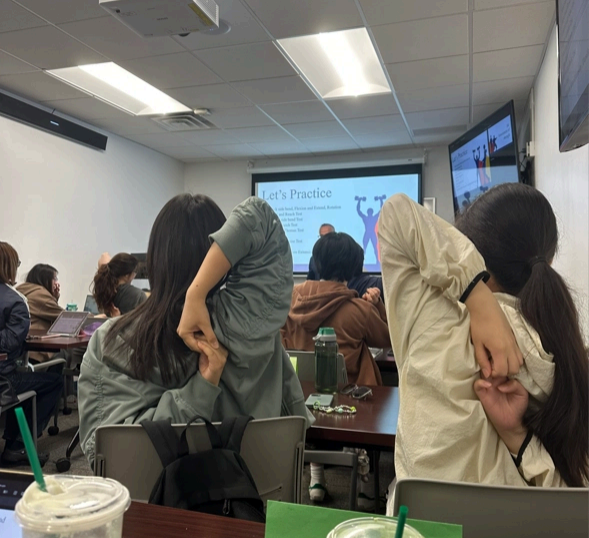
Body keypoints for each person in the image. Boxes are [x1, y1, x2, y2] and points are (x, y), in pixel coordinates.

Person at [377, 187, 589, 505]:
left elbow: (395, 214)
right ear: (550, 261)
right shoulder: (569, 355)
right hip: (523, 536)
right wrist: (519, 439)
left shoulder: (433, 323)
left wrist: (477, 297)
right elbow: (576, 503)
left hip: (422, 530)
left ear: (471, 253)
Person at [78, 195, 312, 466]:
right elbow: (260, 218)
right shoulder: (250, 321)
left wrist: (197, 393)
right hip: (258, 487)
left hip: (150, 493)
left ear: (155, 258)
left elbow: (106, 455)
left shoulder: (110, 341)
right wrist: (197, 295)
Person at [282, 232, 391, 386]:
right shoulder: (360, 311)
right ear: (353, 266)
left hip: (300, 391)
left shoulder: (289, 302)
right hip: (351, 394)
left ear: (317, 262)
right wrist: (378, 305)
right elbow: (388, 339)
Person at [0, 243, 63, 467]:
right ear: (10, 266)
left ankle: (13, 440)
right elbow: (10, 342)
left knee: (26, 381)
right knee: (54, 382)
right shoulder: (15, 302)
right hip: (3, 379)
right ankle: (17, 446)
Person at [16, 264, 63, 364]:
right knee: (65, 353)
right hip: (35, 353)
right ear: (46, 280)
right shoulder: (41, 295)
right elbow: (65, 318)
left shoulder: (21, 290)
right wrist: (94, 317)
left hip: (20, 350)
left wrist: (54, 298)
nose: (57, 283)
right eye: (55, 279)